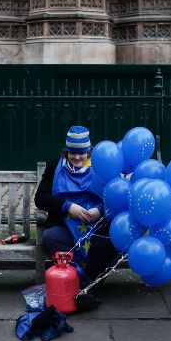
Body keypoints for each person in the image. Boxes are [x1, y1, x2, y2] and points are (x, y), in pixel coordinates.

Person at [34, 126, 119, 311]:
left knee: (114, 242)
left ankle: (82, 288)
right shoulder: (53, 166)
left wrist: (99, 210)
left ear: (89, 152)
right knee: (50, 238)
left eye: (82, 153)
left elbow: (113, 197)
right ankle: (86, 288)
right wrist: (67, 206)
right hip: (64, 226)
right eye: (73, 153)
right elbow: (40, 198)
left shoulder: (101, 167)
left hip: (96, 228)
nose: (78, 158)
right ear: (66, 151)